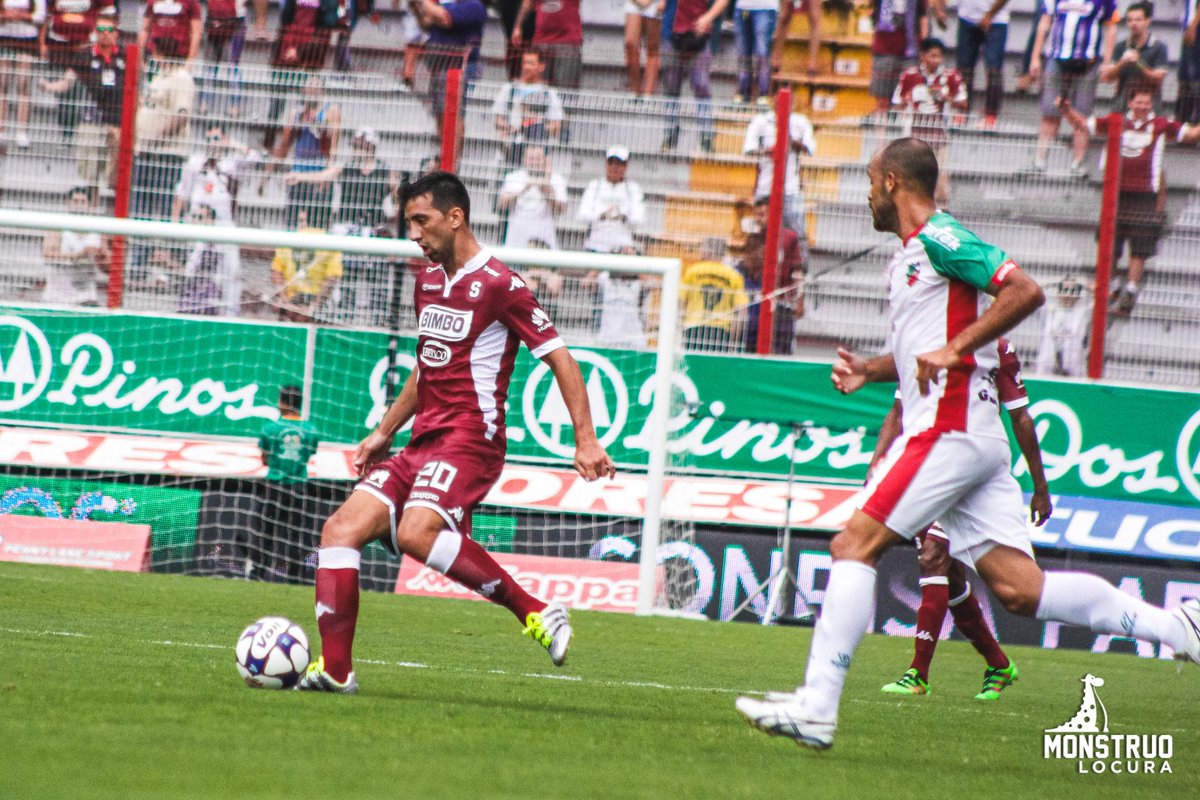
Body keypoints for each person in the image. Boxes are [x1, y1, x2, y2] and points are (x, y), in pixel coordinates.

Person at [734, 137, 1200, 750]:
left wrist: (954, 351)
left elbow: (1024, 291)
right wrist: (869, 371)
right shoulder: (908, 259)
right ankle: (1180, 628)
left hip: (948, 429)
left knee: (853, 543)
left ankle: (818, 706)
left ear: (896, 182)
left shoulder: (941, 238)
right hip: (973, 437)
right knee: (1019, 590)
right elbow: (922, 352)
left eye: (874, 181)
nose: (869, 193)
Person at [295, 171, 615, 693]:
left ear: (455, 216)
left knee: (417, 532)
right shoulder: (426, 281)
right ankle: (336, 670)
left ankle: (535, 610)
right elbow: (427, 367)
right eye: (408, 224)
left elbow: (561, 357)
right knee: (339, 532)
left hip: (472, 438)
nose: (414, 234)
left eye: (421, 221)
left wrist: (586, 439)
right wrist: (382, 433)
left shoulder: (500, 285)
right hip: (423, 439)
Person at [877, 338, 1051, 698]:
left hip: (971, 469)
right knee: (949, 576)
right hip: (929, 465)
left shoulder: (999, 347)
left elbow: (1020, 415)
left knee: (933, 558)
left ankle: (917, 674)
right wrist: (877, 466)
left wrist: (1040, 486)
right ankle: (999, 664)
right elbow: (897, 412)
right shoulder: (924, 338)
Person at [1057, 91, 1200, 316]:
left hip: (1145, 194)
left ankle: (1131, 290)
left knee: (1140, 246)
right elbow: (1083, 125)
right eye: (1139, 101)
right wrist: (1066, 111)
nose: (1143, 105)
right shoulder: (1117, 121)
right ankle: (1110, 286)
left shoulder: (1161, 124)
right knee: (1111, 243)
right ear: (1131, 102)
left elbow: (1191, 135)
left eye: (1147, 102)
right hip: (1116, 193)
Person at [1028, 0, 1118, 175]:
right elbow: (1045, 22)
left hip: (1088, 62)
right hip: (1056, 58)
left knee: (1081, 114)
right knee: (1049, 112)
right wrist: (1035, 56)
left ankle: (1078, 162)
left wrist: (1107, 61)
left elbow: (1111, 27)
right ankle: (1039, 160)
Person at [37, 14, 124, 189]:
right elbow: (67, 82)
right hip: (91, 119)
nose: (105, 34)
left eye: (110, 30)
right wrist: (48, 86)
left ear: (117, 33)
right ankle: (91, 206)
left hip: (118, 120)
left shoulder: (127, 55)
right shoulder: (84, 54)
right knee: (89, 172)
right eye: (101, 29)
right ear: (94, 32)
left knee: (116, 176)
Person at [891, 37, 966, 208]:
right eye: (932, 56)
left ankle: (941, 215)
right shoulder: (909, 76)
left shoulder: (951, 76)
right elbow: (896, 104)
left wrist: (947, 98)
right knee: (911, 180)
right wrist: (908, 99)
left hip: (940, 136)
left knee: (941, 183)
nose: (936, 60)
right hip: (914, 138)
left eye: (939, 57)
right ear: (922, 56)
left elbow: (963, 103)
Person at [258, 384, 321, 583]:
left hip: (274, 487)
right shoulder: (311, 430)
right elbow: (309, 455)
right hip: (299, 488)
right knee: (296, 534)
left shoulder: (270, 428)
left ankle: (259, 573)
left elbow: (265, 459)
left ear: (281, 402)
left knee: (266, 531)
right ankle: (296, 578)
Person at [737, 196, 805, 353]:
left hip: (782, 304)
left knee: (781, 349)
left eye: (763, 214)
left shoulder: (789, 238)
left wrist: (799, 300)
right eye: (757, 214)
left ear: (775, 214)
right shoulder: (753, 239)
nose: (759, 218)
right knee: (752, 346)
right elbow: (747, 270)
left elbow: (797, 271)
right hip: (758, 304)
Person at [742, 91, 815, 236]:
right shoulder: (761, 121)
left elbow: (810, 148)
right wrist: (767, 151)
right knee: (761, 232)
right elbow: (748, 149)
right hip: (765, 187)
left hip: (791, 188)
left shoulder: (800, 123)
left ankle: (797, 258)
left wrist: (793, 143)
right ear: (772, 101)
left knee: (796, 233)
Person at [660, 0, 729, 152]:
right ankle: (670, 131)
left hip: (699, 35)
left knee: (701, 85)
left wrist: (709, 17)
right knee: (671, 87)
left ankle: (706, 135)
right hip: (671, 33)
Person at [275, 74, 341, 231]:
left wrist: (327, 174)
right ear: (303, 90)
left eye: (316, 86)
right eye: (309, 86)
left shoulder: (330, 110)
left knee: (317, 225)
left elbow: (334, 144)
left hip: (318, 176)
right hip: (298, 174)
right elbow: (286, 143)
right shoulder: (295, 113)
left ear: (321, 90)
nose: (312, 90)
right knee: (292, 224)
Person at [409, 0, 485, 133]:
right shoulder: (449, 5)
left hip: (458, 68)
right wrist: (417, 8)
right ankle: (443, 151)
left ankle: (453, 154)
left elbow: (445, 19)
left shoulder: (474, 5)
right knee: (440, 113)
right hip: (439, 67)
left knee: (453, 115)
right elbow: (427, 24)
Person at [173, 123, 261, 225]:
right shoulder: (195, 162)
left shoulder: (231, 162)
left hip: (222, 218)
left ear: (223, 140)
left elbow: (255, 158)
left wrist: (232, 143)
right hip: (198, 218)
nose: (211, 143)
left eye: (215, 138)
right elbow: (182, 193)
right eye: (208, 139)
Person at [491, 48, 564, 166]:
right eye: (525, 63)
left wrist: (534, 130)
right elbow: (498, 119)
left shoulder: (549, 93)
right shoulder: (509, 89)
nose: (527, 67)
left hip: (537, 153)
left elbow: (556, 124)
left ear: (541, 66)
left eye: (531, 63)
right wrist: (512, 129)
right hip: (510, 148)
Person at [270, 209, 344, 322]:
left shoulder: (289, 239)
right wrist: (313, 307)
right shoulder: (331, 243)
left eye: (301, 220)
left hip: (290, 304)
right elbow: (331, 279)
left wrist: (285, 301)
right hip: (315, 305)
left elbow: (276, 273)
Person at [42, 186, 107, 306]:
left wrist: (101, 258)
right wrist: (79, 255)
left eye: (83, 201)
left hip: (86, 296)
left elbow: (107, 268)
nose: (79, 205)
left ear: (89, 205)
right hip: (58, 295)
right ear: (68, 203)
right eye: (75, 201)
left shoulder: (98, 229)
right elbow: (48, 255)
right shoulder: (57, 226)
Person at [948, 0, 1009, 128]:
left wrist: (989, 15)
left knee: (993, 69)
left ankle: (990, 115)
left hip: (996, 21)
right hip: (967, 18)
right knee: (964, 68)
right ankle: (962, 111)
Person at [681, 237, 747, 352]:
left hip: (693, 329)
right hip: (720, 332)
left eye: (702, 249)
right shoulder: (733, 276)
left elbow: (680, 302)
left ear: (708, 251)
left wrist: (678, 328)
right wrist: (734, 340)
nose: (700, 252)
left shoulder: (692, 271)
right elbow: (742, 310)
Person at [577, 146, 646, 254]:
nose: (614, 167)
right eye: (611, 162)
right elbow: (582, 214)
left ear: (625, 166)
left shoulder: (633, 189)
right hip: (596, 243)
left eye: (619, 163)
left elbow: (640, 218)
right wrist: (602, 215)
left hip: (623, 244)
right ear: (606, 164)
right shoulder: (594, 186)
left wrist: (623, 217)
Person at [1100, 2, 1168, 111]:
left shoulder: (1158, 47)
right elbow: (1108, 77)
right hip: (1123, 104)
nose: (1133, 23)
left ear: (1147, 21)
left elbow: (1158, 78)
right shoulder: (1121, 46)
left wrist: (1138, 64)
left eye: (1138, 20)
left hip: (1149, 106)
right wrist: (1122, 63)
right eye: (1130, 20)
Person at [497, 145, 567, 249]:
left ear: (545, 160)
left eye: (538, 159)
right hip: (516, 240)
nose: (534, 162)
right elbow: (501, 205)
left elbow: (561, 210)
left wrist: (546, 186)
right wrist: (524, 188)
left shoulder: (557, 179)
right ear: (524, 160)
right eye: (531, 159)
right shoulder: (513, 177)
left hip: (543, 241)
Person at [868, 0, 927, 116]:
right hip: (884, 47)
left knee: (905, 99)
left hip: (910, 49)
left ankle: (900, 131)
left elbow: (923, 17)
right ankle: (881, 130)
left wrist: (924, 46)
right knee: (882, 99)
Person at [0, 0, 45, 148]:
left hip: (27, 39)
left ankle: (21, 132)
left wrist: (23, 16)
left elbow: (40, 14)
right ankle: (1, 129)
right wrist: (6, 15)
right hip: (4, 36)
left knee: (23, 83)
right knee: (2, 83)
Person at [512, 0, 583, 89]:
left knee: (566, 90)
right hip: (541, 42)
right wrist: (518, 26)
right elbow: (527, 4)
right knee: (538, 88)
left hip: (568, 43)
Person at [198, 0, 249, 117]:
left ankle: (234, 106)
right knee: (210, 67)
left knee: (232, 66)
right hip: (214, 18)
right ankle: (204, 104)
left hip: (235, 21)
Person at [1035, 276, 1089, 376]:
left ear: (1078, 295)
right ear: (1058, 293)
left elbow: (1102, 296)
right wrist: (1057, 280)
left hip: (1073, 369)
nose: (1068, 294)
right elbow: (1032, 289)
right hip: (1047, 368)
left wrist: (1081, 282)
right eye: (1064, 290)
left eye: (1072, 291)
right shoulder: (1049, 310)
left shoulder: (1082, 313)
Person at [733, 0, 777, 105]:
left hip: (765, 8)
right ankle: (743, 91)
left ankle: (763, 94)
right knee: (743, 53)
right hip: (743, 7)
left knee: (762, 53)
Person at [625, 0, 661, 98]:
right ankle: (634, 90)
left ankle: (648, 95)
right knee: (630, 44)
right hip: (634, 3)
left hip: (655, 4)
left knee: (652, 47)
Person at [1178, 0, 1200, 124]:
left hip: (1196, 36)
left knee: (1195, 80)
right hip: (1188, 35)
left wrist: (1193, 27)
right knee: (1184, 80)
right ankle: (1182, 122)